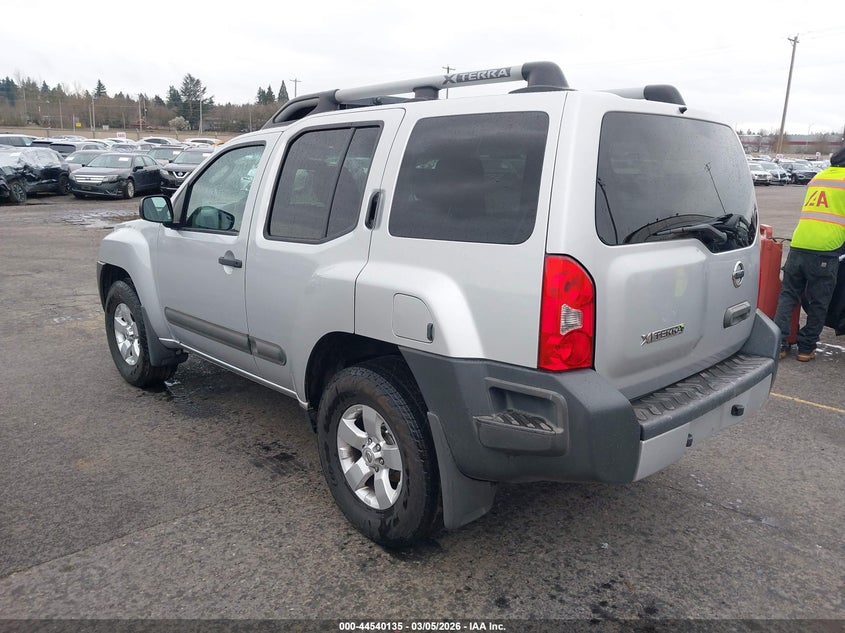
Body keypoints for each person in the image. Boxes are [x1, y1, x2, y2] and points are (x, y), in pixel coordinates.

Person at [774, 146, 845, 361]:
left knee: (788, 295)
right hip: (825, 249)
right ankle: (806, 348)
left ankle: (780, 344)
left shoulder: (818, 178)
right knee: (819, 301)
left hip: (799, 243)